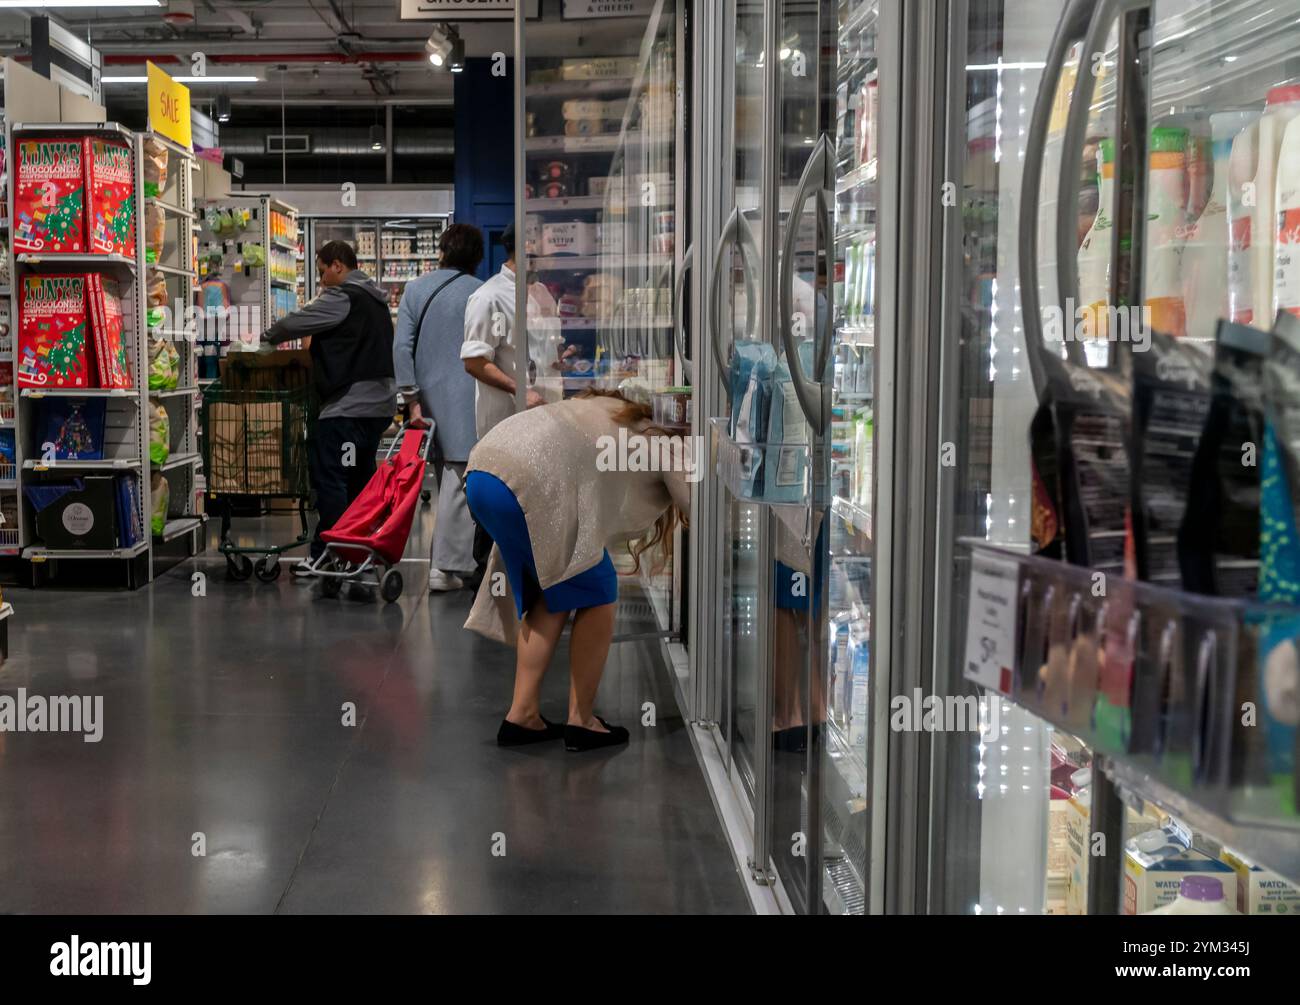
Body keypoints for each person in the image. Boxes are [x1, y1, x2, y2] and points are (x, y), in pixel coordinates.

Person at [462, 390, 691, 752]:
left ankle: (522, 716)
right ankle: (582, 721)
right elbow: (696, 505)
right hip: (529, 481)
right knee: (598, 590)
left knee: (551, 591)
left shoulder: (609, 410)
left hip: (481, 471)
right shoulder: (664, 442)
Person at [263, 239, 396, 569]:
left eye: (323, 272)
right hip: (378, 409)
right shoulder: (376, 299)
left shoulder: (343, 296)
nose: (321, 280)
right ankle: (360, 550)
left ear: (338, 265)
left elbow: (298, 321)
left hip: (348, 408)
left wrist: (268, 337)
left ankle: (329, 554)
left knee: (331, 478)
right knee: (359, 482)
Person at [392, 224, 485, 592]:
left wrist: (411, 398)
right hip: (469, 395)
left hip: (428, 399)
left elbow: (402, 348)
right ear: (476, 257)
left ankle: (445, 562)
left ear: (443, 250)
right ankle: (445, 567)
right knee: (459, 478)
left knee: (443, 474)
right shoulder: (480, 292)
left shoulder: (416, 289)